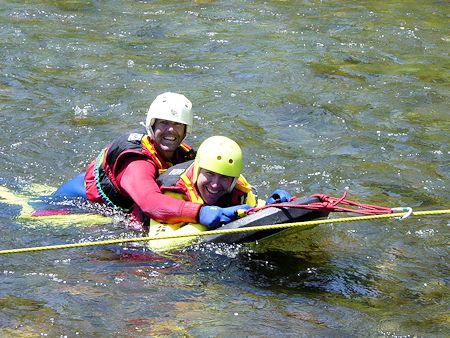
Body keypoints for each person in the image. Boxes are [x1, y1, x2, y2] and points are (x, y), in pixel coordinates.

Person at [136, 135, 292, 230]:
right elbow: (161, 245)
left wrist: (271, 206)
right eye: (209, 174)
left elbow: (252, 209)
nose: (215, 185)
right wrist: (205, 218)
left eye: (224, 177)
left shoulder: (238, 185)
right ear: (197, 171)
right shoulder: (173, 191)